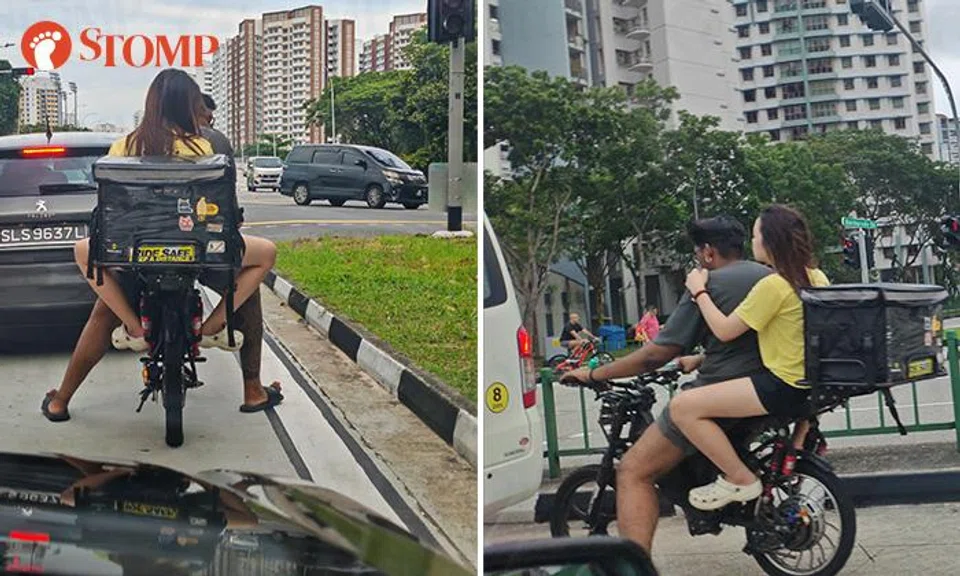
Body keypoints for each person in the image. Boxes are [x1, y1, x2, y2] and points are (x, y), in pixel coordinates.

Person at [41, 70, 282, 422]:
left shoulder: (123, 147)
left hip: (136, 254)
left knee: (100, 303)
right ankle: (237, 364)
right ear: (189, 106)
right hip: (196, 253)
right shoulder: (203, 146)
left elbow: (111, 209)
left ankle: (65, 395)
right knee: (256, 273)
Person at [561, 215, 771, 553]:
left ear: (706, 252)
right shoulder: (769, 277)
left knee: (633, 471)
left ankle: (634, 565)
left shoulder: (709, 284)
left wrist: (593, 373)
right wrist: (700, 358)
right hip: (765, 392)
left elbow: (653, 356)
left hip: (716, 395)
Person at [670, 204, 828, 511]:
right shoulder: (816, 276)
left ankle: (739, 478)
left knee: (682, 408)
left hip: (782, 385)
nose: (752, 241)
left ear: (770, 241)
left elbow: (725, 330)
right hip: (808, 383)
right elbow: (787, 337)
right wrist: (700, 361)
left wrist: (698, 291)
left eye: (755, 234)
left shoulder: (773, 284)